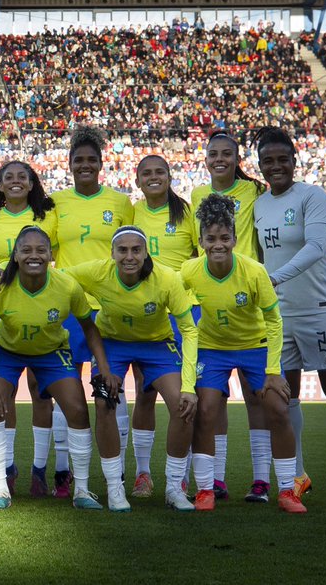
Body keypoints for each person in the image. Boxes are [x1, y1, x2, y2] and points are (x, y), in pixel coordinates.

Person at [254, 127, 326, 507]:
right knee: (286, 397)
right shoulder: (259, 204)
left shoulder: (313, 196)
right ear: (260, 165)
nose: (276, 166)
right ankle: (297, 476)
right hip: (279, 315)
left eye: (282, 159)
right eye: (268, 160)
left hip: (321, 309)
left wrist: (273, 279)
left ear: (294, 160)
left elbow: (317, 247)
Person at [180, 195, 306, 513]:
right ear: (201, 242)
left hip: (255, 347)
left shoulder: (254, 271)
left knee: (278, 407)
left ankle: (288, 490)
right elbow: (175, 308)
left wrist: (274, 370)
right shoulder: (189, 271)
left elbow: (275, 322)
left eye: (224, 238)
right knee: (206, 410)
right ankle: (206, 489)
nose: (218, 244)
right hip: (212, 348)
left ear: (235, 240)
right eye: (211, 238)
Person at [0, 225, 120, 510]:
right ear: (15, 255)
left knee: (78, 410)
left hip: (52, 351)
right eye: (26, 250)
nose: (34, 255)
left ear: (51, 254)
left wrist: (103, 366)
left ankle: (81, 489)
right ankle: (0, 490)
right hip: (6, 350)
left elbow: (89, 328)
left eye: (41, 250)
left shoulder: (67, 286)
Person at [67, 226, 199, 513]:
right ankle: (115, 488)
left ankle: (174, 488)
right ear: (112, 253)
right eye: (122, 250)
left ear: (145, 251)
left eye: (135, 250)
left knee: (182, 404)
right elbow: (54, 277)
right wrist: (3, 268)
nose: (129, 256)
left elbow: (189, 330)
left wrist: (189, 386)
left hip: (156, 344)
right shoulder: (97, 272)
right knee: (103, 403)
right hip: (111, 343)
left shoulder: (166, 279)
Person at [50, 127, 133, 498]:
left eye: (91, 160)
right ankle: (64, 472)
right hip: (68, 307)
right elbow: (40, 251)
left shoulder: (120, 203)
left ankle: (118, 474)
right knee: (65, 389)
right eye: (78, 160)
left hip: (110, 308)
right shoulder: (55, 203)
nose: (85, 165)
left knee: (113, 390)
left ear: (101, 164)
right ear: (69, 165)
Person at [190, 130, 269, 502]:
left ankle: (261, 480)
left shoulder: (254, 192)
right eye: (213, 153)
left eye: (227, 153)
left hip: (249, 295)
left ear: (237, 159)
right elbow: (196, 247)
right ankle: (216, 479)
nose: (219, 158)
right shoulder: (195, 196)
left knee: (258, 400)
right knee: (213, 400)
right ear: (205, 159)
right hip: (211, 300)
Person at [0, 160, 59, 497]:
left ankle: (40, 470)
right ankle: (8, 468)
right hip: (2, 306)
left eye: (21, 177)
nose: (15, 182)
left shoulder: (47, 218)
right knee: (4, 393)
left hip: (41, 303)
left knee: (41, 388)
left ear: (31, 184)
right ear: (0, 185)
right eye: (8, 177)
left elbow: (55, 258)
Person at [127, 153, 198, 499]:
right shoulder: (132, 213)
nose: (153, 177)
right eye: (146, 173)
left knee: (185, 395)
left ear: (170, 176)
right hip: (144, 313)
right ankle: (143, 474)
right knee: (144, 391)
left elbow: (204, 259)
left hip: (182, 312)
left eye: (160, 172)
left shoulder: (186, 213)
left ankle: (179, 477)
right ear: (137, 180)